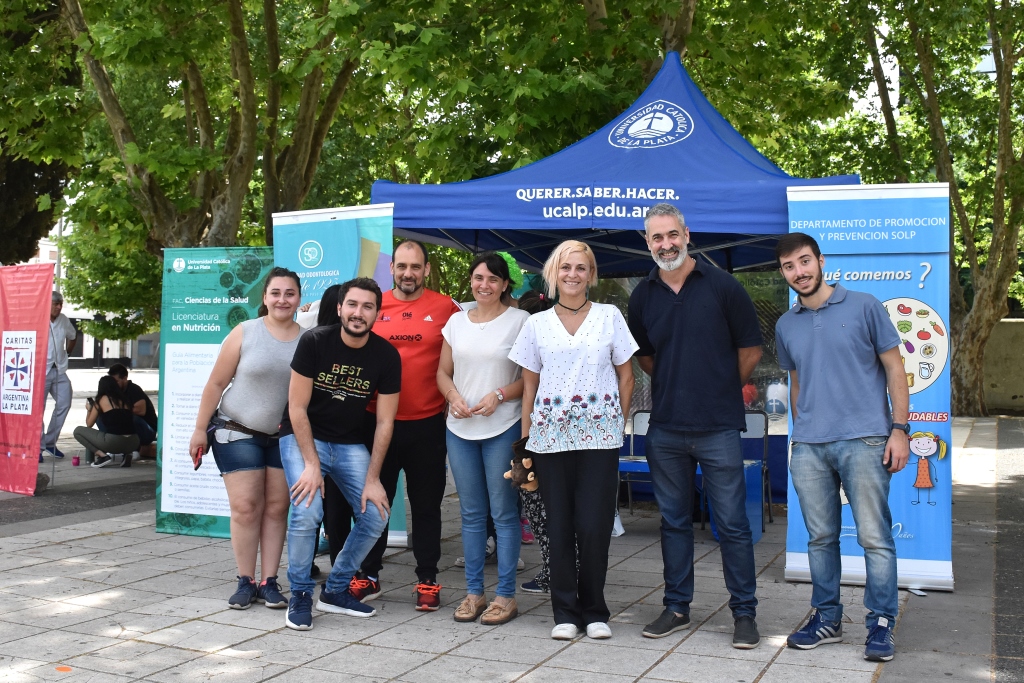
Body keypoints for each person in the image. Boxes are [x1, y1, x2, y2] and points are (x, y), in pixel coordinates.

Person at [626, 203, 763, 649]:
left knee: (733, 524)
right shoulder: (642, 296)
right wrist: (677, 384)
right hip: (665, 428)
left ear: (687, 235)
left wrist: (719, 388)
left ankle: (744, 613)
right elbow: (645, 357)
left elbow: (751, 350)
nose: (666, 244)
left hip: (718, 426)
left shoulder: (723, 286)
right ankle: (676, 607)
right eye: (656, 237)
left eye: (672, 235)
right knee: (673, 523)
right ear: (647, 243)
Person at [774, 232, 909, 662]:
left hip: (865, 440)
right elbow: (797, 382)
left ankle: (881, 623)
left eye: (804, 261)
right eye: (789, 266)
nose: (799, 272)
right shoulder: (786, 324)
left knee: (874, 537)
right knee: (820, 538)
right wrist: (800, 434)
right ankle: (827, 618)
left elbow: (895, 369)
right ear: (783, 273)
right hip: (810, 447)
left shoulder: (865, 306)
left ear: (821, 260)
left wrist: (900, 430)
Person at [509, 240, 637, 641]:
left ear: (591, 274)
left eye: (581, 268)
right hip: (549, 441)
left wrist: (616, 423)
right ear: (554, 273)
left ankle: (595, 611)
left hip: (600, 439)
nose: (573, 274)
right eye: (565, 267)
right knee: (559, 526)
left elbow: (627, 377)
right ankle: (564, 612)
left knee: (594, 526)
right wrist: (526, 444)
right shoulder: (536, 324)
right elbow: (529, 389)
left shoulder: (610, 316)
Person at [279, 277, 398, 631]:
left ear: (377, 313)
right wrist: (311, 465)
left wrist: (373, 479)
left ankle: (334, 589)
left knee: (376, 513)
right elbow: (296, 408)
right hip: (303, 437)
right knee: (307, 511)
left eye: (367, 307)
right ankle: (301, 593)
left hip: (347, 443)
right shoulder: (314, 341)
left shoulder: (386, 356)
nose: (359, 313)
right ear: (340, 308)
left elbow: (385, 422)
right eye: (353, 305)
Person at [351, 240, 461, 612]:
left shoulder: (446, 308)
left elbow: (469, 352)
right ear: (391, 269)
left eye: (415, 266)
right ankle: (368, 575)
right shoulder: (373, 305)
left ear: (426, 269)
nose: (408, 273)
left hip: (426, 425)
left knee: (427, 506)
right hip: (376, 423)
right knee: (374, 504)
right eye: (401, 266)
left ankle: (427, 578)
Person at [187, 268, 303, 611]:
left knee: (277, 508)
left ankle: (269, 582)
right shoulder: (245, 332)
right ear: (264, 297)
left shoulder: (310, 338)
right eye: (276, 293)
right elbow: (215, 383)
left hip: (284, 437)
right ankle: (245, 580)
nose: (282, 299)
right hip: (236, 431)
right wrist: (199, 429)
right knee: (246, 507)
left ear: (299, 298)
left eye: (290, 293)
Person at [437, 252, 529, 625]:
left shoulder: (520, 321)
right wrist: (452, 396)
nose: (484, 285)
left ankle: (505, 596)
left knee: (504, 513)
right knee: (471, 513)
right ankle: (474, 593)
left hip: (503, 427)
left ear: (505, 284)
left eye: (493, 278)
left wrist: (500, 395)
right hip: (459, 429)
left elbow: (531, 378)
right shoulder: (456, 322)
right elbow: (443, 372)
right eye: (478, 277)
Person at [74, 376, 139, 468]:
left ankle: (103, 456)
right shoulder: (125, 399)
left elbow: (89, 424)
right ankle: (128, 454)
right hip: (134, 442)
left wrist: (89, 410)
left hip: (114, 442)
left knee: (78, 431)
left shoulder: (101, 400)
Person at [41, 291, 76, 459]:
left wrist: (67, 353)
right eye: (55, 304)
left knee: (65, 402)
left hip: (59, 369)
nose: (59, 307)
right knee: (38, 410)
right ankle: (38, 447)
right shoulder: (39, 319)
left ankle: (50, 442)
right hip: (41, 370)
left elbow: (73, 336)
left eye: (60, 303)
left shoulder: (64, 320)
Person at [108, 363, 158, 459]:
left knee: (130, 417)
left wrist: (120, 410)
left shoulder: (134, 389)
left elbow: (141, 411)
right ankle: (114, 446)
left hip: (147, 430)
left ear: (124, 378)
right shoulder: (115, 391)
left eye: (116, 381)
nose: (114, 384)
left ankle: (134, 449)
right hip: (129, 431)